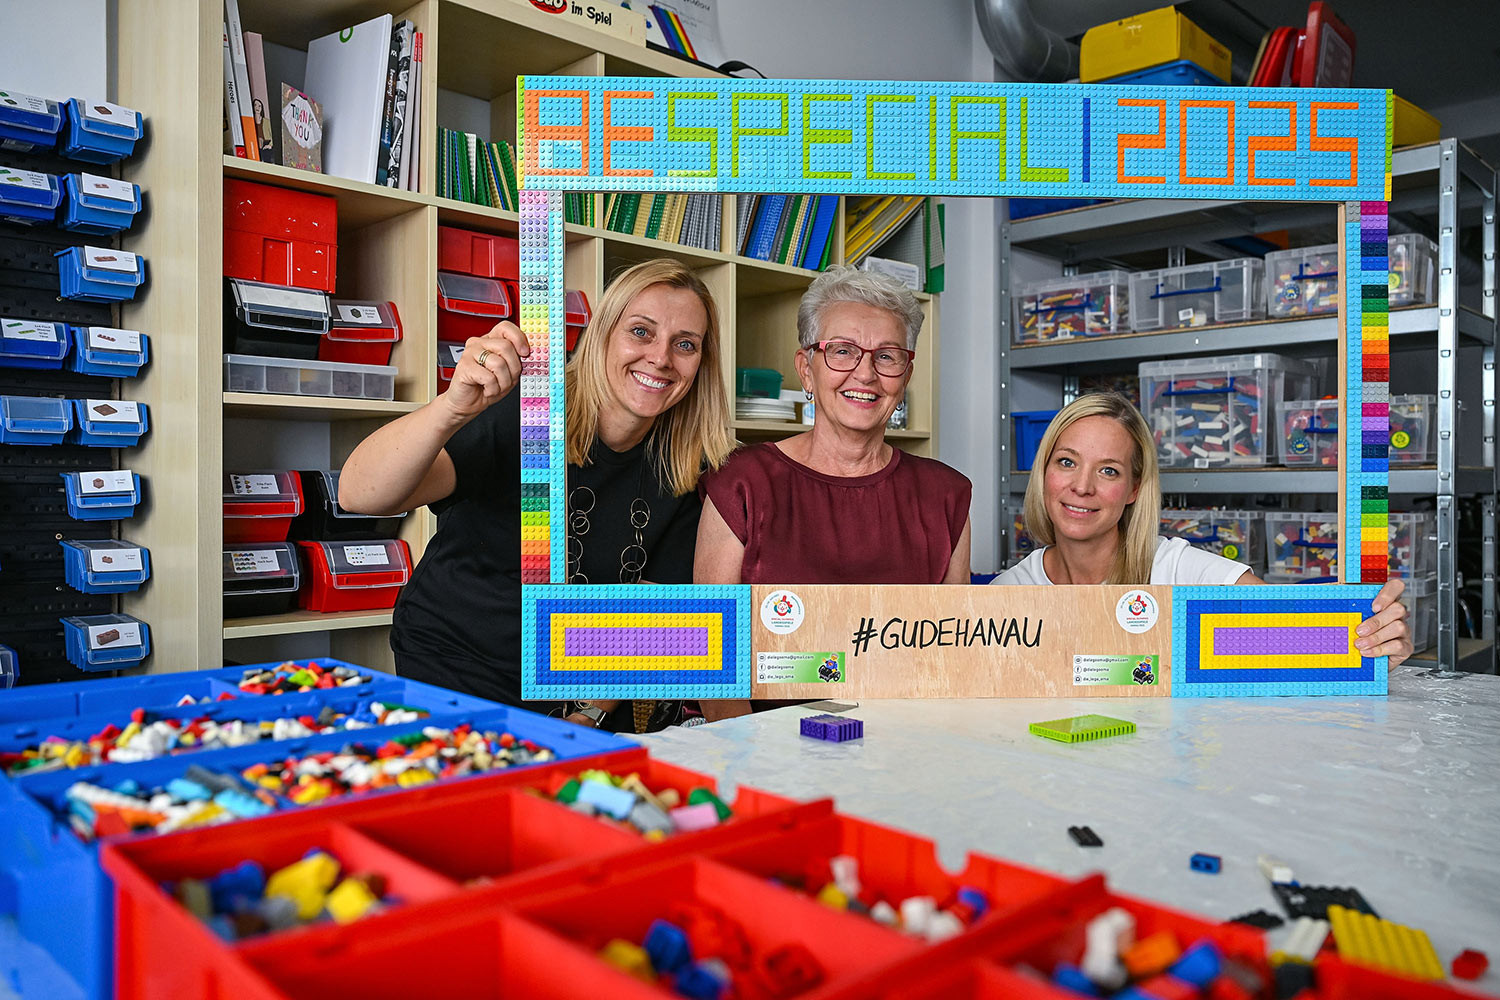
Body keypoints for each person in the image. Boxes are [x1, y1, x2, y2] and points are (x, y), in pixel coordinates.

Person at [339, 259, 734, 724]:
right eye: (641, 332)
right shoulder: (529, 411)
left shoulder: (690, 465)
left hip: (577, 693)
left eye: (685, 344)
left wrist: (588, 714)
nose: (661, 358)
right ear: (602, 335)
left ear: (701, 363)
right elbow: (359, 495)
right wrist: (452, 408)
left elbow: (649, 615)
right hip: (457, 670)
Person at [991, 392, 1411, 665]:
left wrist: (1368, 640)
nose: (1082, 487)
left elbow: (1289, 631)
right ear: (1043, 471)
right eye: (1066, 462)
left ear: (1134, 489)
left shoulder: (1176, 570)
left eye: (1108, 470)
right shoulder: (1007, 595)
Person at [696, 266, 972, 587]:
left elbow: (955, 621)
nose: (865, 374)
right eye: (842, 351)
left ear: (905, 377)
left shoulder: (946, 495)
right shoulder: (739, 482)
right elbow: (716, 619)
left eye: (886, 356)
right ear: (806, 370)